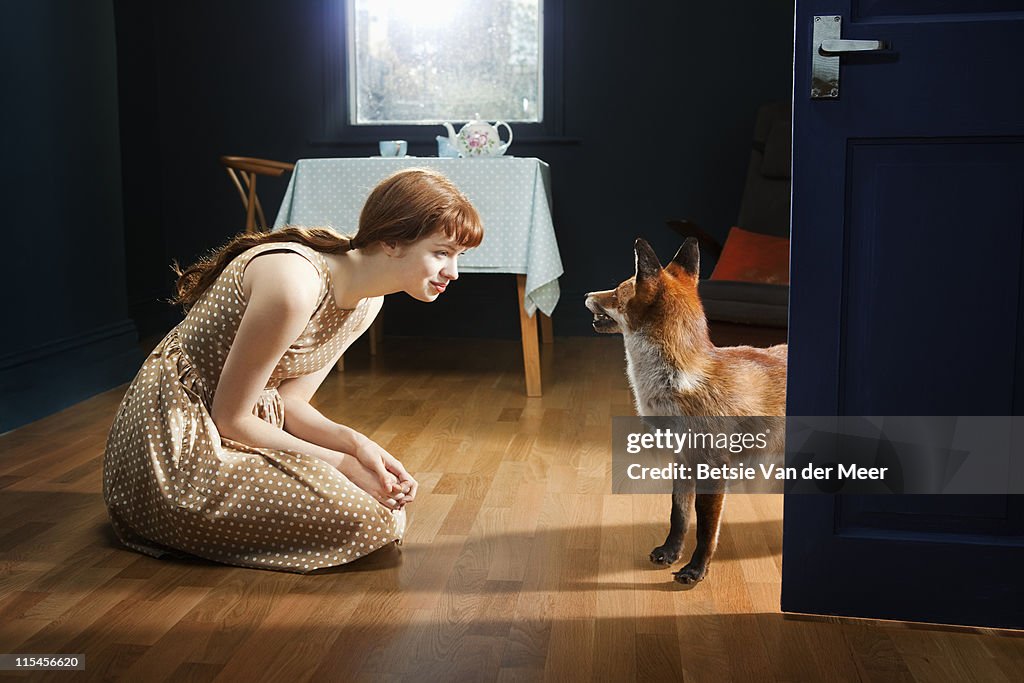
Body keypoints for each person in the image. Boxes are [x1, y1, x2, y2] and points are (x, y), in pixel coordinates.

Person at [103, 168, 483, 572]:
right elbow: (230, 418)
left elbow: (289, 403)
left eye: (457, 257)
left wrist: (357, 446)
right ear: (391, 240)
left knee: (379, 509)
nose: (453, 272)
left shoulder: (368, 302)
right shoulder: (293, 285)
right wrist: (339, 464)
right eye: (442, 253)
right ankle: (159, 511)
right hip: (177, 439)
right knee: (374, 518)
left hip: (241, 424)